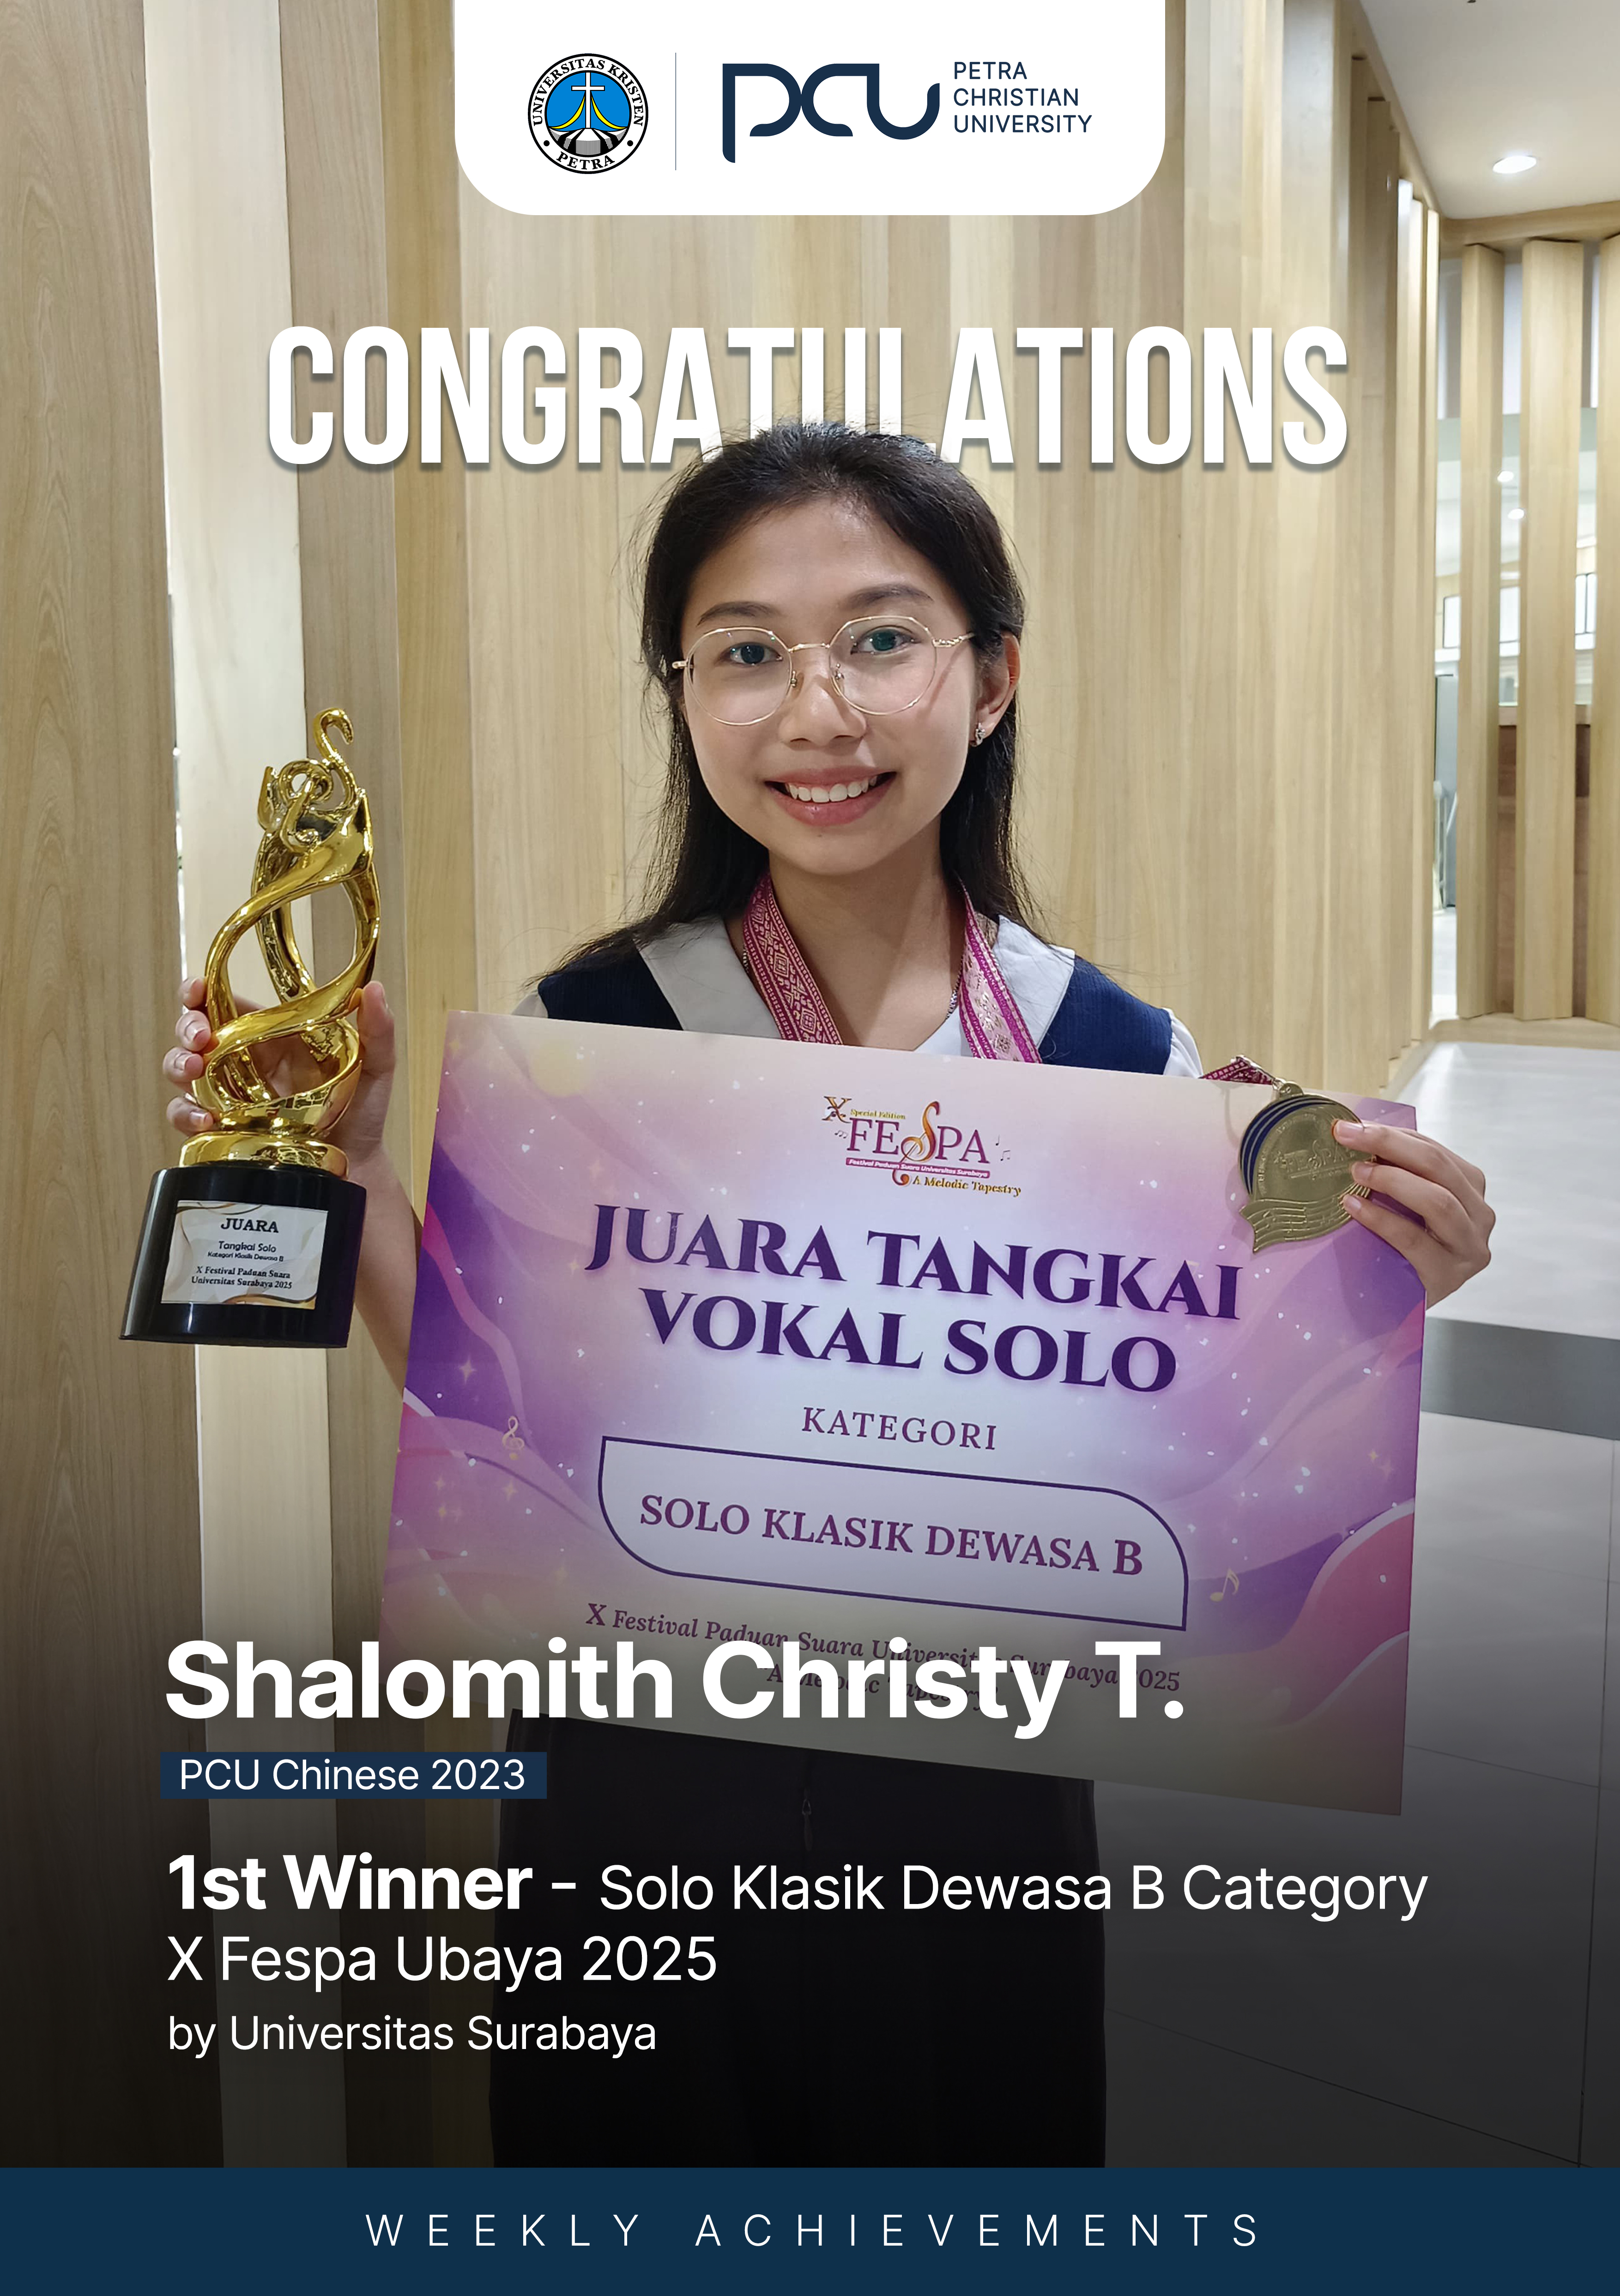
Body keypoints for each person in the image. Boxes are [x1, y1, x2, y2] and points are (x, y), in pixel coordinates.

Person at [163, 422, 1494, 2165]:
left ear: (991, 679)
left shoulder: (1119, 1063)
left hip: (975, 1797)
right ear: (684, 695)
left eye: (880, 638)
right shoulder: (596, 1037)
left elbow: (1211, 1454)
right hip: (638, 1780)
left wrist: (1390, 1273)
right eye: (743, 652)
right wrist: (347, 1178)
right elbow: (496, 1413)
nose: (817, 710)